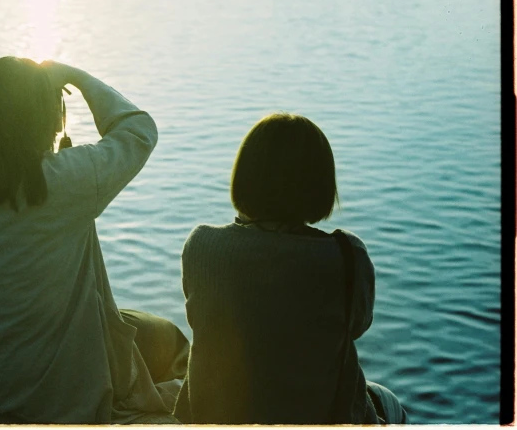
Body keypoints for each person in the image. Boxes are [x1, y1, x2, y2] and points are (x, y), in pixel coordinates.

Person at [0, 57, 189, 424]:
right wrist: (76, 77)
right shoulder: (63, 183)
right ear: (48, 116)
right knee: (170, 339)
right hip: (50, 395)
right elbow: (138, 130)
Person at [173, 112, 408, 424]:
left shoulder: (202, 245)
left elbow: (199, 316)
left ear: (245, 175)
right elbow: (357, 326)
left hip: (214, 418)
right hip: (321, 418)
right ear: (321, 183)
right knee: (388, 401)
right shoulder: (347, 256)